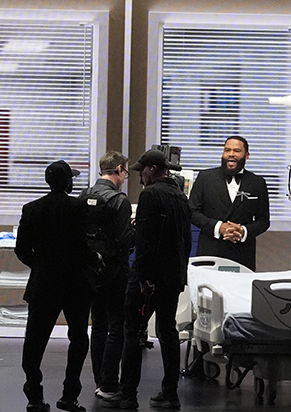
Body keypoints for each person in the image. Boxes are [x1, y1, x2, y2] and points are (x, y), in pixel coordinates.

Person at [105, 149, 191, 411]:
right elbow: (185, 241)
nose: (140, 176)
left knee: (133, 332)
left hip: (149, 279)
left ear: (153, 169)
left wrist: (142, 277)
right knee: (168, 332)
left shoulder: (150, 195)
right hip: (173, 277)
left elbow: (145, 242)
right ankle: (170, 393)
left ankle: (128, 393)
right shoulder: (180, 196)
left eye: (142, 170)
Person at [16, 160, 94, 412]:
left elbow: (21, 250)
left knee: (35, 341)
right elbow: (82, 247)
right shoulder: (78, 207)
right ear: (68, 182)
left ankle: (34, 395)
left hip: (43, 283)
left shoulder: (31, 209)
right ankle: (69, 395)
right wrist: (95, 260)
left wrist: (40, 265)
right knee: (79, 339)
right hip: (75, 283)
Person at [78, 150, 135, 401]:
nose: (125, 178)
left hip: (90, 270)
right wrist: (136, 230)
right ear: (120, 170)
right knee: (117, 327)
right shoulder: (119, 200)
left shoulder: (83, 195)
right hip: (115, 270)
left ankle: (99, 380)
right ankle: (110, 383)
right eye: (125, 173)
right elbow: (124, 240)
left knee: (97, 325)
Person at [187, 135, 271, 270]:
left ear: (247, 155)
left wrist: (243, 231)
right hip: (210, 252)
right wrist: (219, 227)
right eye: (227, 150)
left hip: (242, 254)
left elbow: (263, 220)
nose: (231, 154)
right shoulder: (205, 178)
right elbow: (191, 212)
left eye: (237, 151)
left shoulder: (257, 183)